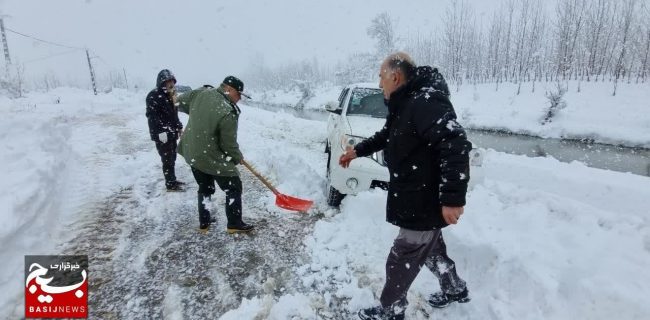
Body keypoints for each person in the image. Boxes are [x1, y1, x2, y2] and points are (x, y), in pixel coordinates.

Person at [339, 52, 472, 320]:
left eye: (381, 76)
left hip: (422, 201)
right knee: (432, 249)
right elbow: (387, 135)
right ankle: (455, 289)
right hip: (418, 199)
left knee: (402, 259)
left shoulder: (424, 102)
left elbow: (454, 143)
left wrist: (452, 199)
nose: (379, 84)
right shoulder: (407, 103)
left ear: (395, 76)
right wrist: (357, 151)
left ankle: (391, 310)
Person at [177, 76, 254, 233]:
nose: (239, 98)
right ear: (229, 89)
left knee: (205, 187)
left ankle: (204, 222)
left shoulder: (200, 93)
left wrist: (197, 112)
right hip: (209, 155)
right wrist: (237, 156)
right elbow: (228, 144)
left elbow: (178, 102)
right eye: (238, 94)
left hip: (192, 152)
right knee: (233, 185)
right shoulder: (228, 111)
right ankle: (234, 224)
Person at [145, 69, 185, 191]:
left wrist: (178, 126)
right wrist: (161, 132)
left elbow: (174, 114)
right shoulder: (154, 96)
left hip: (171, 133)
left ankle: (172, 180)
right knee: (167, 159)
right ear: (161, 82)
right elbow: (152, 117)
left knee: (172, 157)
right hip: (162, 134)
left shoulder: (172, 95)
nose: (170, 84)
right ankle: (170, 184)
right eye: (167, 82)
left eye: (172, 81)